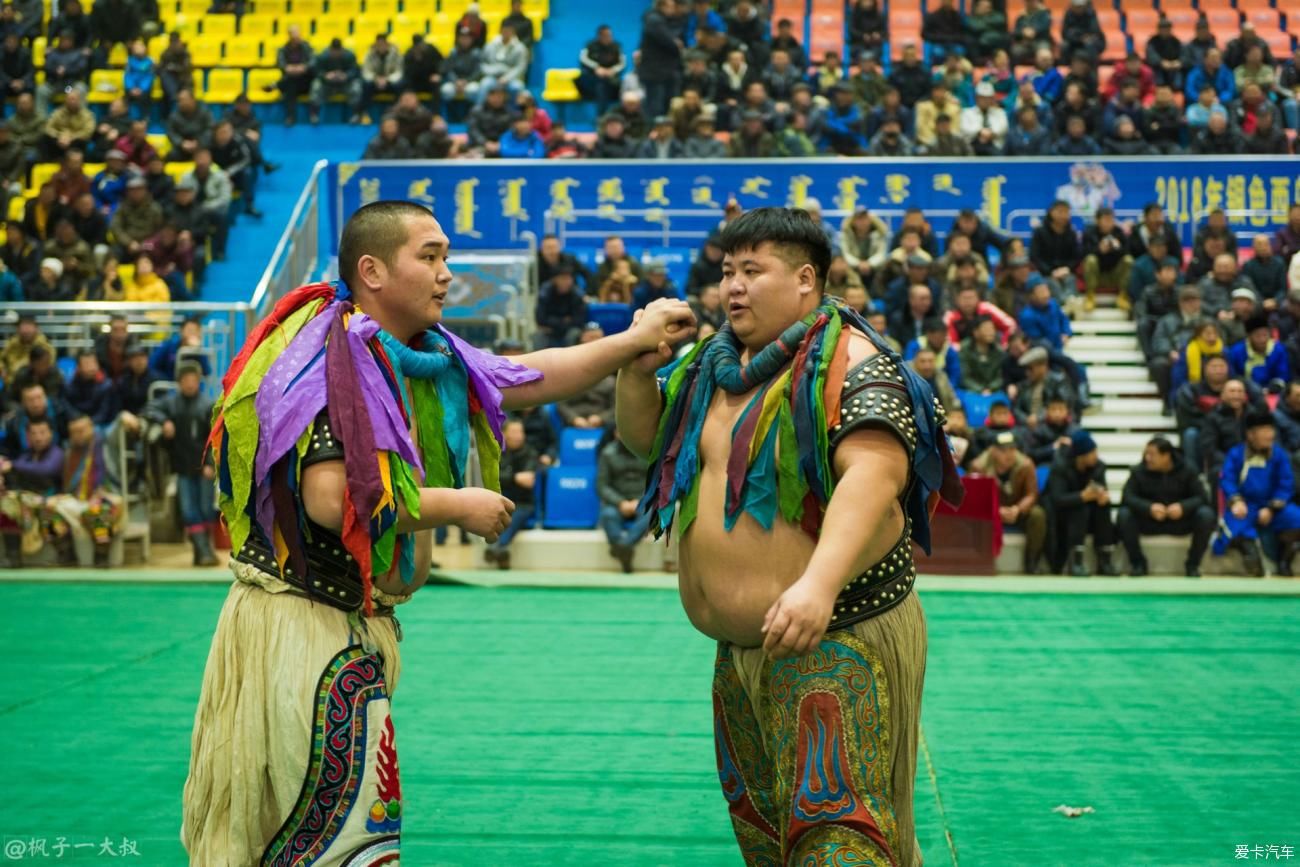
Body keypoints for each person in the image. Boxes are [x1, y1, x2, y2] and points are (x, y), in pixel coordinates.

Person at [181, 200, 696, 863]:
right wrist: (456, 503)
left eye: (445, 256)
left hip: (343, 624)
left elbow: (522, 377)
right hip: (300, 629)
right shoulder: (327, 358)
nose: (446, 272)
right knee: (335, 843)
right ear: (371, 270)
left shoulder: (417, 353)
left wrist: (631, 340)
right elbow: (330, 497)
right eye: (429, 256)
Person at [615, 207, 961, 866]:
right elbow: (648, 440)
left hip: (838, 634)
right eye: (726, 272)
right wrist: (635, 367)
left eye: (753, 270)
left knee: (844, 837)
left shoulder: (853, 361)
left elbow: (877, 475)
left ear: (806, 280)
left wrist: (818, 586)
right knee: (768, 837)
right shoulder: (710, 368)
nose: (732, 287)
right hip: (743, 652)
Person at [1214, 413, 1300, 576]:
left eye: (1271, 430)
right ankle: (1250, 554)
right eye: (1264, 430)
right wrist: (1236, 501)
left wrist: (1271, 508)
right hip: (1245, 506)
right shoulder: (1236, 454)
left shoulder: (1279, 455)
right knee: (1233, 526)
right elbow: (1227, 480)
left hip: (1272, 505)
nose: (1270, 435)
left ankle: (1284, 559)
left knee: (1296, 518)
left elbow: (1286, 484)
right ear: (1251, 434)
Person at [1117, 437, 1215, 577]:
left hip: (1180, 521)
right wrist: (1149, 508)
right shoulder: (1139, 471)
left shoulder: (1188, 469)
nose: (1147, 458)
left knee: (1206, 515)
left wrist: (1183, 507)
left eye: (1152, 454)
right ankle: (1137, 563)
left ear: (1166, 456)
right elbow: (1127, 497)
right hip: (1149, 521)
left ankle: (1193, 564)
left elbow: (1202, 497)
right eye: (1146, 454)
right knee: (1124, 515)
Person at [46, 412, 126, 567]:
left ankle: (101, 556)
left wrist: (123, 416)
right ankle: (65, 552)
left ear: (91, 428)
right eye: (74, 432)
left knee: (100, 510)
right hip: (75, 499)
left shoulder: (106, 444)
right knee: (47, 507)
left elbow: (117, 426)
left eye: (82, 430)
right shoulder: (69, 451)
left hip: (106, 494)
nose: (78, 435)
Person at [969, 430, 1047, 572]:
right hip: (990, 513)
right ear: (993, 451)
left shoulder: (1026, 465)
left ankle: (1032, 561)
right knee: (973, 517)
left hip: (1017, 510)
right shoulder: (978, 466)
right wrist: (996, 510)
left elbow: (1031, 494)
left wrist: (1017, 509)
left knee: (1038, 515)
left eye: (1012, 449)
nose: (1009, 454)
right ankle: (980, 561)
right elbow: (975, 498)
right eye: (1003, 450)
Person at [1045, 429, 1119, 576]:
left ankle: (1105, 560)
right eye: (1092, 452)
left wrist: (1103, 497)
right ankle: (1076, 561)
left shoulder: (1099, 467)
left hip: (1089, 513)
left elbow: (1102, 489)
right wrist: (1082, 497)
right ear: (1081, 455)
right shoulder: (1060, 467)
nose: (1096, 456)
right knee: (1080, 508)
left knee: (1103, 508)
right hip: (1062, 515)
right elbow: (1057, 499)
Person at [482, 417, 537, 571]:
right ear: (505, 434)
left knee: (514, 515)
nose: (518, 435)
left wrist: (510, 478)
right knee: (501, 512)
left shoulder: (530, 452)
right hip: (501, 499)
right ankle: (501, 551)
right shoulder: (497, 452)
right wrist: (514, 478)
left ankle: (496, 547)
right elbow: (495, 477)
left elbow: (528, 479)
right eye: (514, 431)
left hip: (524, 502)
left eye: (520, 431)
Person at [596, 430, 653, 573]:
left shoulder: (649, 452)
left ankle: (622, 547)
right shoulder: (607, 454)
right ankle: (625, 550)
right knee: (608, 515)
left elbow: (656, 481)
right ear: (616, 434)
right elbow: (602, 486)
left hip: (642, 501)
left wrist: (639, 501)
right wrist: (620, 502)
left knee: (651, 514)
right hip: (616, 504)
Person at [1227, 315, 1292, 390]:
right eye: (1258, 336)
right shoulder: (1236, 351)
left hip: (1272, 390)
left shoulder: (1278, 350)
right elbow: (1234, 375)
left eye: (1265, 335)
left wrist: (1276, 386)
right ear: (1249, 336)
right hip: (1245, 390)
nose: (1262, 340)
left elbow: (1283, 374)